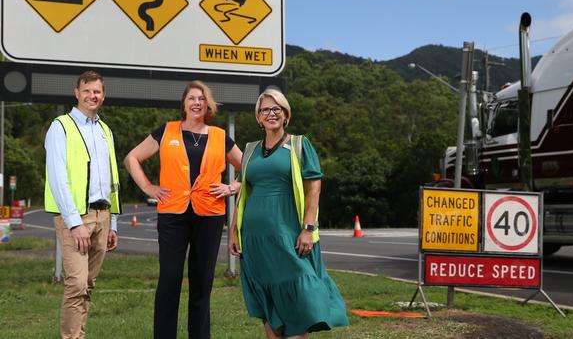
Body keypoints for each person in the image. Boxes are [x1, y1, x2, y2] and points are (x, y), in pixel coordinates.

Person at [124, 80, 242, 339]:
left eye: (201, 98)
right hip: (172, 214)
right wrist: (148, 187)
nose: (196, 102)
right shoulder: (167, 131)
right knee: (169, 279)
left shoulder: (221, 136)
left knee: (202, 284)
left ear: (207, 104)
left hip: (210, 215)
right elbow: (132, 158)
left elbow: (250, 166)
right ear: (184, 104)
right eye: (191, 98)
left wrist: (233, 187)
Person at [228, 86, 349, 338]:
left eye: (276, 109)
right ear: (258, 117)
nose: (271, 114)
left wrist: (308, 228)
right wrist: (233, 231)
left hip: (289, 235)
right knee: (267, 301)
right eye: (265, 110)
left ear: (285, 115)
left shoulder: (299, 145)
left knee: (298, 301)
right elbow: (243, 193)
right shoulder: (249, 150)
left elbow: (313, 190)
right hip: (255, 238)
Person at [44, 70, 121, 339]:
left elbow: (112, 179)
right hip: (76, 217)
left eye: (97, 91)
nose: (92, 95)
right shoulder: (61, 126)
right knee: (76, 283)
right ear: (77, 93)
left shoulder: (105, 130)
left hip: (102, 215)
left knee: (88, 284)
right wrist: (74, 223)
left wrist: (112, 223)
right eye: (87, 90)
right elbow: (58, 178)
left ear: (103, 95)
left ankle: (79, 334)